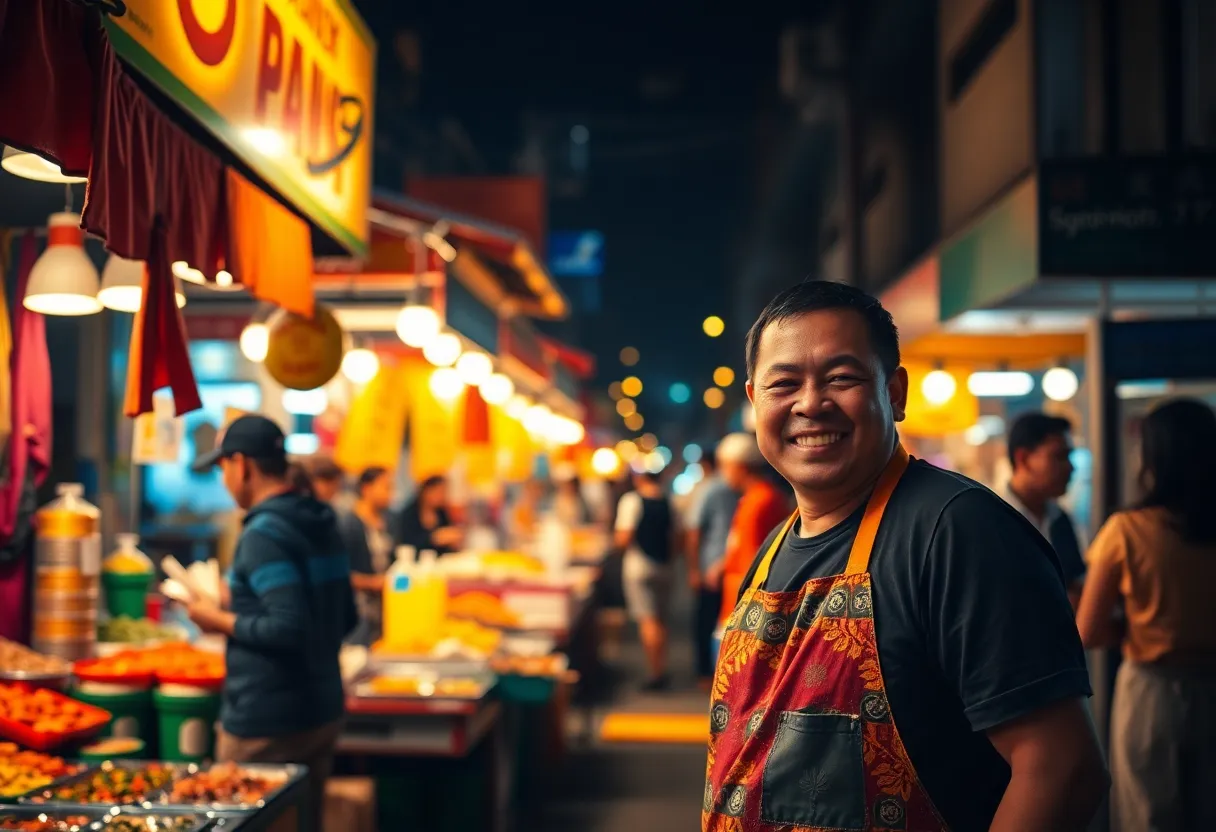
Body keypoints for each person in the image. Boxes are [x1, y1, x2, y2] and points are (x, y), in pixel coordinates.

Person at [703, 281, 1106, 832]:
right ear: (754, 401)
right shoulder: (774, 545)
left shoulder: (960, 532)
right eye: (784, 383)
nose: (811, 403)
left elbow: (1064, 769)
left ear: (894, 392)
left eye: (841, 378)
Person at [185, 415, 356, 832]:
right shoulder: (322, 520)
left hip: (266, 725)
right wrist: (241, 601)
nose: (225, 479)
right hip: (322, 711)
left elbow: (287, 626)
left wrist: (215, 619)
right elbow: (345, 615)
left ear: (242, 465)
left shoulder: (263, 533)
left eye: (224, 467)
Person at [1076, 398, 1216, 831]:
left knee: (1147, 816)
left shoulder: (1128, 530)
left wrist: (1138, 625)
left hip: (1152, 693)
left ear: (1154, 458)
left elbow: (1088, 630)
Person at [1005, 412, 1087, 606]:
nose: (1070, 467)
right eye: (1059, 456)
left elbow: (1075, 582)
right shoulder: (991, 517)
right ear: (1024, 459)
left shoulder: (1060, 519)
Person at [708, 433, 790, 626]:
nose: (723, 472)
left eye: (725, 466)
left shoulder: (758, 502)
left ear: (740, 467)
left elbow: (751, 558)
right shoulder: (763, 496)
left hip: (743, 609)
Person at [615, 469, 681, 690]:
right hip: (665, 567)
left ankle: (655, 673)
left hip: (638, 567)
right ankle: (662, 666)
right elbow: (677, 537)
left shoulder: (631, 501)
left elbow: (624, 537)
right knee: (661, 620)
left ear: (639, 479)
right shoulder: (669, 502)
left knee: (648, 621)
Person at [685, 446, 739, 687]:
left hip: (712, 567)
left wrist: (694, 569)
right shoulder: (737, 489)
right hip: (733, 566)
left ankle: (706, 672)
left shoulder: (709, 489)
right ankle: (721, 672)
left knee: (707, 620)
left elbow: (693, 531)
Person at [337, 467, 396, 645]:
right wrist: (373, 582)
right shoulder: (348, 525)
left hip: (386, 607)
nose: (390, 494)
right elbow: (341, 574)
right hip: (359, 611)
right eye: (386, 487)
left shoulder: (389, 520)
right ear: (366, 488)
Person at [395, 475, 463, 556]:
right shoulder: (410, 513)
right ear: (426, 491)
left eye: (444, 492)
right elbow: (406, 544)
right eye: (438, 492)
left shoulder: (441, 512)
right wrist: (434, 538)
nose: (442, 496)